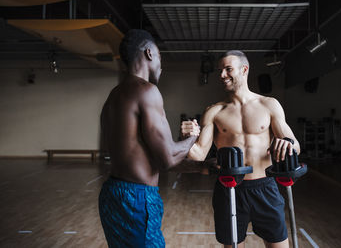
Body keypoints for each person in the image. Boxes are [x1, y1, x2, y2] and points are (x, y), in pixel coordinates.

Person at [181, 50, 301, 248]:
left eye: (228, 69)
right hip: (229, 188)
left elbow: (295, 145)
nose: (222, 75)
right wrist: (189, 138)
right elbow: (198, 154)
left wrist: (288, 144)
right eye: (220, 71)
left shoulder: (269, 105)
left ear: (244, 70)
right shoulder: (214, 111)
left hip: (265, 187)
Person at [98, 29, 200, 248]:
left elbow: (148, 157)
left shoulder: (113, 96)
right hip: (137, 198)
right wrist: (192, 138)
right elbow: (167, 160)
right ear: (149, 53)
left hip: (112, 193)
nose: (162, 65)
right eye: (160, 57)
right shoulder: (147, 91)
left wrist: (201, 165)